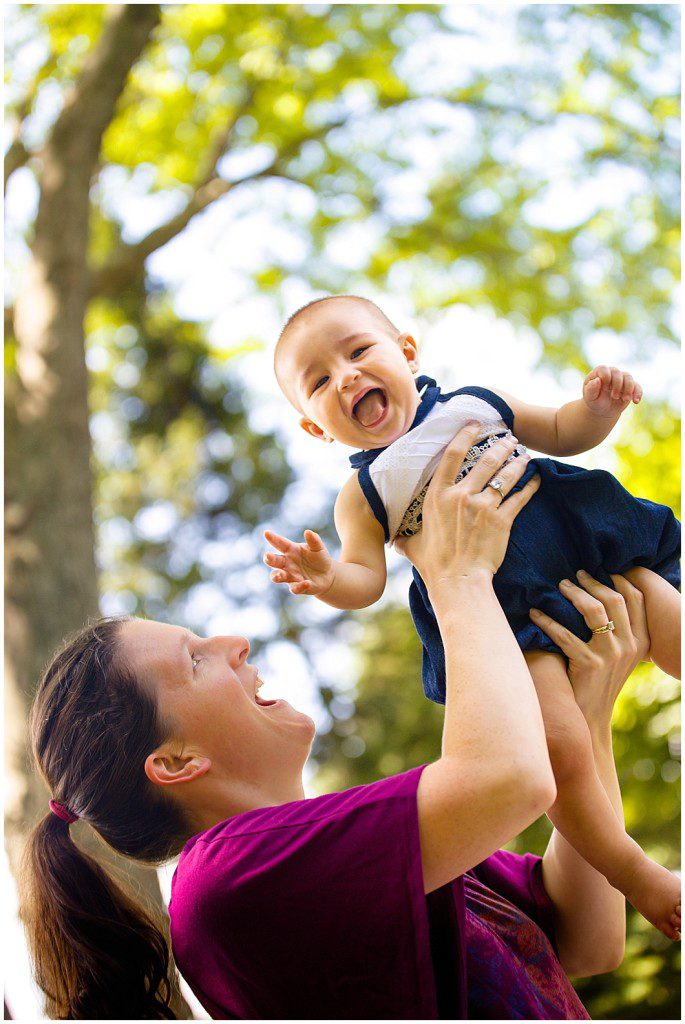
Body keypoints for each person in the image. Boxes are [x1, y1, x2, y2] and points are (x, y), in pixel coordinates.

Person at [21, 430, 674, 1019]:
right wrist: (454, 570)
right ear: (174, 762)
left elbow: (588, 938)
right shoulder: (225, 882)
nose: (234, 643)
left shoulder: (373, 840)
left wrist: (584, 717)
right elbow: (511, 780)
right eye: (195, 660)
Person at [267, 293, 681, 937]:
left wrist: (599, 409)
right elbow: (364, 579)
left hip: (583, 547)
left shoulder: (476, 403)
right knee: (559, 747)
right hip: (508, 620)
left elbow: (565, 431)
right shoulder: (366, 493)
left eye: (357, 351)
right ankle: (638, 876)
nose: (345, 375)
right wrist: (326, 580)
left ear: (406, 352)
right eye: (319, 382)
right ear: (317, 429)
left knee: (668, 612)